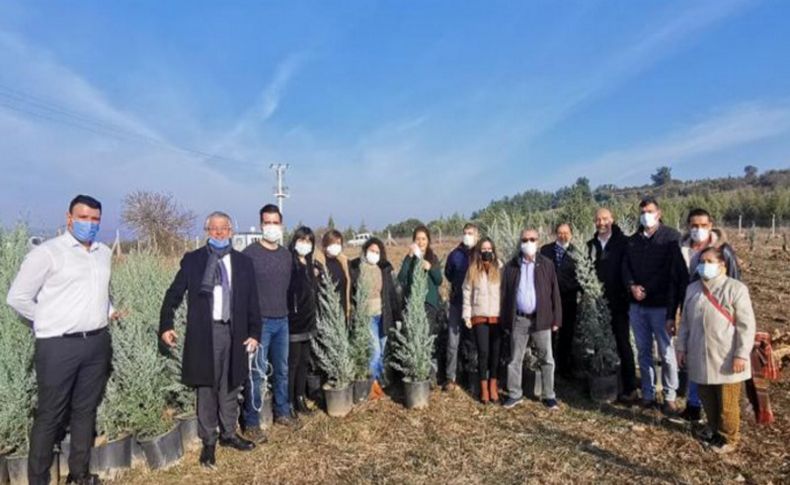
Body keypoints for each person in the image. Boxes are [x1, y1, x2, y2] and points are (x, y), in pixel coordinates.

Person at [6, 195, 119, 485]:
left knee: (85, 410)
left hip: (96, 343)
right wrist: (47, 320)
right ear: (69, 218)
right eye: (83, 218)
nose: (89, 224)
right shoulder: (48, 253)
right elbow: (17, 297)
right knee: (50, 415)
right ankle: (39, 480)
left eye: (95, 219)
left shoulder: (103, 253)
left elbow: (100, 291)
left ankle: (79, 474)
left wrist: (107, 310)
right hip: (58, 347)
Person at [159, 211, 260, 469]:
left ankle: (228, 434)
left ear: (231, 231)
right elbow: (174, 293)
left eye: (223, 228)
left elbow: (252, 302)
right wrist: (166, 324)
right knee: (206, 387)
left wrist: (254, 333)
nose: (218, 232)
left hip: (234, 332)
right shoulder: (194, 261)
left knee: (231, 384)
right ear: (207, 231)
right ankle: (209, 441)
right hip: (205, 333)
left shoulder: (243, 263)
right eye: (213, 228)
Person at [676, 246, 756, 454]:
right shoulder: (692, 289)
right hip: (699, 355)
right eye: (702, 261)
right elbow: (684, 323)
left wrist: (741, 353)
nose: (705, 265)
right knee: (707, 398)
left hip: (727, 357)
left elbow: (746, 326)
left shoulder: (735, 289)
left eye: (710, 261)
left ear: (723, 265)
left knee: (727, 403)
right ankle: (713, 430)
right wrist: (681, 348)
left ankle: (729, 437)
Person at [669, 208, 741, 422]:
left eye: (703, 225)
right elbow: (674, 283)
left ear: (711, 225)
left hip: (719, 317)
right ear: (688, 226)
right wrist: (671, 315)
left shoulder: (723, 250)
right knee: (694, 358)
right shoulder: (682, 250)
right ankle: (693, 406)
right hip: (691, 310)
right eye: (694, 226)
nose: (698, 230)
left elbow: (736, 283)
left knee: (718, 361)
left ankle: (721, 415)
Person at [622, 196, 682, 415]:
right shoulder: (633, 240)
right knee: (643, 351)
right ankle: (648, 394)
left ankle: (670, 395)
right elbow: (625, 267)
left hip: (660, 306)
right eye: (642, 212)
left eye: (649, 211)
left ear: (659, 213)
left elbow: (673, 273)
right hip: (637, 306)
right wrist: (632, 286)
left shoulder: (671, 238)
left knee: (666, 353)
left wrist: (670, 310)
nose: (645, 215)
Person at [242, 204, 294, 437]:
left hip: (282, 320)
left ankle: (282, 412)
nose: (271, 227)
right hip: (259, 324)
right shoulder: (249, 255)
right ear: (261, 224)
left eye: (275, 222)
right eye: (267, 222)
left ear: (281, 225)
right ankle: (252, 422)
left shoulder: (286, 255)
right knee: (256, 372)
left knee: (281, 370)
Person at [502, 228, 562, 410]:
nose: (528, 243)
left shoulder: (547, 264)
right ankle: (514, 394)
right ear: (520, 243)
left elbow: (555, 293)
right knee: (515, 359)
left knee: (547, 358)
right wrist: (506, 320)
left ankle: (549, 395)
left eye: (532, 239)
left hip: (541, 319)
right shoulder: (511, 266)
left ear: (538, 241)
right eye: (525, 239)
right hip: (520, 320)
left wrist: (556, 319)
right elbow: (505, 294)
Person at [586, 208, 638, 402]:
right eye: (598, 219)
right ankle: (602, 379)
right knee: (598, 343)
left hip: (618, 302)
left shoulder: (623, 243)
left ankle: (630, 386)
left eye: (605, 219)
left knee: (622, 342)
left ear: (612, 220)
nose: (601, 222)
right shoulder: (590, 245)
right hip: (596, 303)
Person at [349, 237, 402, 399]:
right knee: (375, 351)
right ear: (365, 251)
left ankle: (376, 383)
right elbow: (351, 291)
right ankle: (372, 386)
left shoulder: (383, 269)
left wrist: (397, 315)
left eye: (377, 252)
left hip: (382, 315)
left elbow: (391, 294)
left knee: (381, 350)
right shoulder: (356, 268)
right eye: (371, 251)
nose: (374, 254)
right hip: (367, 316)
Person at [397, 225, 444, 380]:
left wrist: (430, 268)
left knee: (427, 338)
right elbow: (401, 278)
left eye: (424, 239)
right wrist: (409, 257)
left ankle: (429, 374)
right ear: (413, 241)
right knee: (413, 337)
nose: (421, 241)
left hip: (429, 304)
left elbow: (438, 280)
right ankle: (414, 372)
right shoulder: (410, 259)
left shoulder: (432, 257)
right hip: (413, 304)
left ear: (428, 241)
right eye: (418, 239)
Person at [462, 237, 502, 404]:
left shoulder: (499, 268)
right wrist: (467, 315)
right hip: (479, 316)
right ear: (479, 252)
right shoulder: (473, 269)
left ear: (493, 251)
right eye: (483, 249)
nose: (487, 252)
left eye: (489, 249)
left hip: (497, 316)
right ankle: (484, 388)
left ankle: (493, 385)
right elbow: (466, 292)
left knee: (496, 353)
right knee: (483, 352)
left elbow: (505, 291)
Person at [540, 223, 580, 378]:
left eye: (566, 233)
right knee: (548, 334)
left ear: (571, 234)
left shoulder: (577, 252)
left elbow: (581, 276)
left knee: (567, 333)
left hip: (568, 299)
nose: (563, 236)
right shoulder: (545, 251)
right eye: (560, 232)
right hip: (548, 300)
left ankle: (564, 367)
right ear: (555, 233)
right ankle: (548, 367)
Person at [286, 227, 319, 417]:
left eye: (308, 241)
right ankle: (288, 402)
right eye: (302, 240)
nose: (305, 244)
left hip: (308, 321)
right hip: (293, 322)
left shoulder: (308, 264)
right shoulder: (289, 262)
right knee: (292, 364)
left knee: (304, 362)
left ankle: (300, 398)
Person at [444, 223, 478, 392]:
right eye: (465, 233)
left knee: (471, 341)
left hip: (476, 305)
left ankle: (470, 376)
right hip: (457, 302)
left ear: (477, 235)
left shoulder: (481, 253)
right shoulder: (454, 255)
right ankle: (451, 377)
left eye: (470, 233)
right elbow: (448, 274)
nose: (467, 236)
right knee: (453, 340)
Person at [313, 229, 351, 320]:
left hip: (342, 313)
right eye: (333, 243)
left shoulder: (344, 262)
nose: (336, 246)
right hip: (325, 315)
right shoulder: (318, 263)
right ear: (325, 244)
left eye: (338, 243)